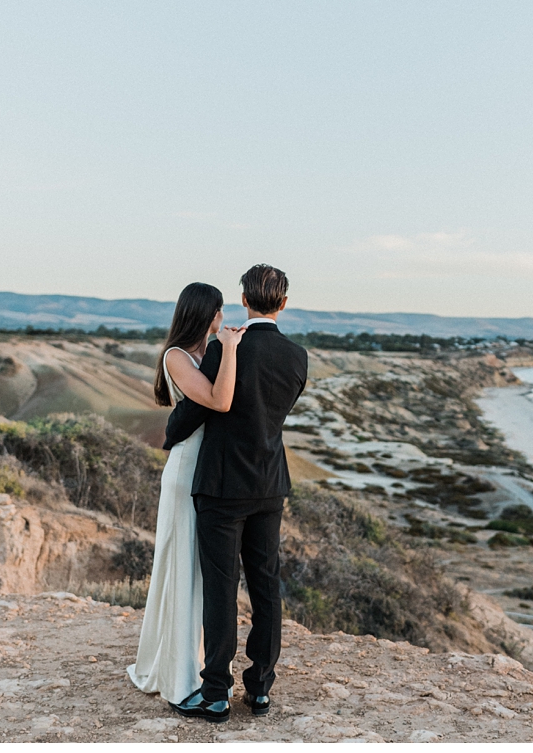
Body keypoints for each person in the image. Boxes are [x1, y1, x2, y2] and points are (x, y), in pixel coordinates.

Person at [164, 264, 308, 723]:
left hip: (222, 487)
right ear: (283, 303)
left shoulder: (225, 349)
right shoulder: (298, 357)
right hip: (269, 485)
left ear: (244, 300)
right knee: (266, 586)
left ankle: (216, 694)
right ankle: (261, 689)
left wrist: (171, 430)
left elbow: (197, 413)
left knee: (221, 589)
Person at [126, 282, 244, 706]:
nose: (223, 316)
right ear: (207, 312)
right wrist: (229, 351)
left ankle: (200, 666)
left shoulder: (207, 353)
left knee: (202, 574)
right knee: (181, 568)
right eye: (219, 309)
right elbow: (217, 400)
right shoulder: (176, 357)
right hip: (185, 471)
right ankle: (178, 681)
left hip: (209, 470)